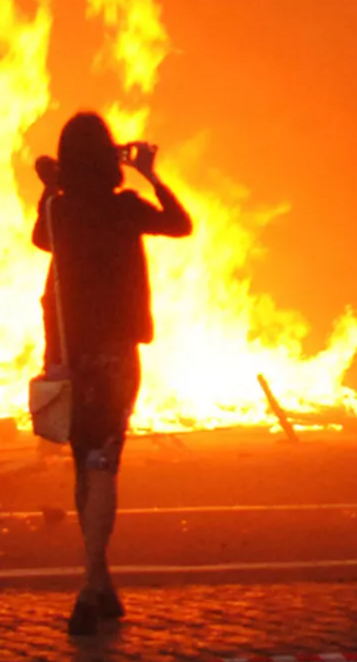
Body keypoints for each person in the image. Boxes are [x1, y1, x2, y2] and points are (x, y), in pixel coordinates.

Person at [33, 112, 193, 637]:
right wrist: (150, 173)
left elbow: (42, 237)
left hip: (71, 355)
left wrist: (53, 185)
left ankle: (100, 581)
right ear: (109, 158)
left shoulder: (59, 210)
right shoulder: (124, 208)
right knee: (104, 464)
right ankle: (88, 586)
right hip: (115, 355)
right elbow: (180, 223)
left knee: (85, 466)